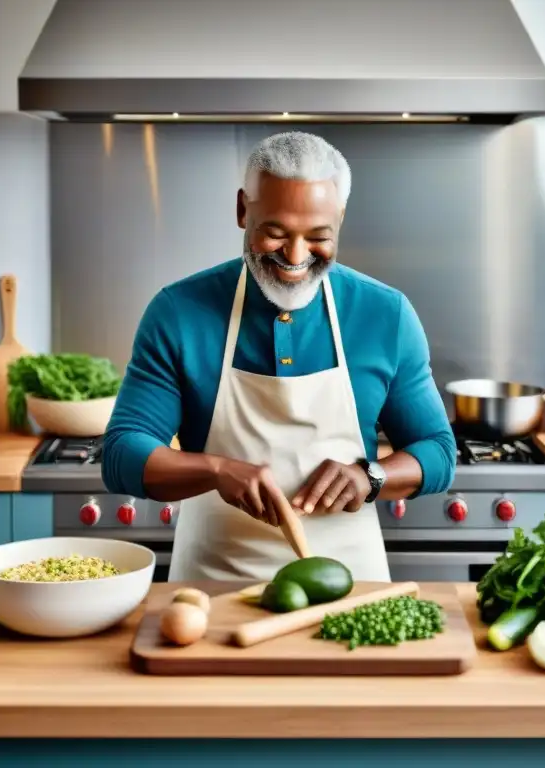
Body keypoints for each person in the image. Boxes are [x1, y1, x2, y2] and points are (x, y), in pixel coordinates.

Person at [103, 131, 456, 581]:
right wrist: (216, 470)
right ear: (241, 210)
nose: (295, 255)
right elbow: (121, 454)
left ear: (341, 218)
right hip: (212, 588)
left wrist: (371, 477)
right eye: (275, 233)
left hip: (350, 584)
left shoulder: (385, 314)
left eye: (318, 236)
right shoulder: (178, 312)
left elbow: (438, 452)